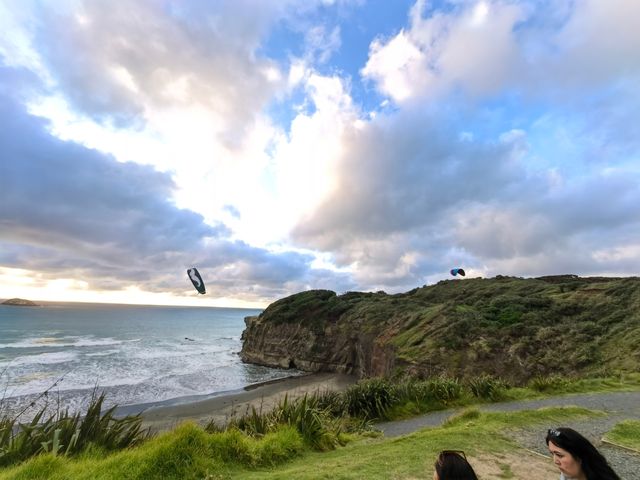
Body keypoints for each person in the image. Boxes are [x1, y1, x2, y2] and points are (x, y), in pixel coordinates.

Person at [546, 427, 620, 480]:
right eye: (552, 454)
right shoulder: (566, 474)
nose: (555, 461)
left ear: (579, 456)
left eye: (559, 455)